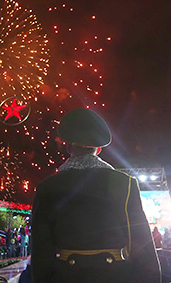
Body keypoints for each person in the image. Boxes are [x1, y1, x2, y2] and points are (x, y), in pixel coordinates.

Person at [31, 108, 161, 282]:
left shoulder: (47, 187)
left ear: (68, 146)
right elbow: (142, 244)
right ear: (98, 149)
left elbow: (41, 251)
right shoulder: (125, 183)